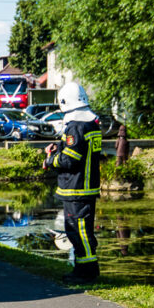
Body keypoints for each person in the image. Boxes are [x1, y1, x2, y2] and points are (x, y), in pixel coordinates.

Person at [43, 81, 102, 283]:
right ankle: (85, 269)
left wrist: (50, 160)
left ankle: (86, 272)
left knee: (79, 232)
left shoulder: (75, 127)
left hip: (76, 188)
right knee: (81, 231)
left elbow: (70, 160)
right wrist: (58, 148)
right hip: (85, 187)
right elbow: (79, 152)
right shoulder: (90, 124)